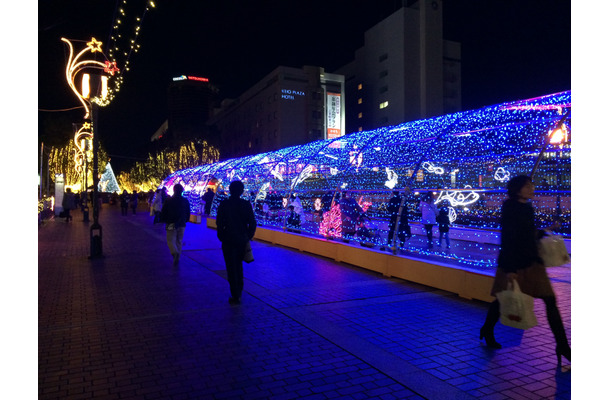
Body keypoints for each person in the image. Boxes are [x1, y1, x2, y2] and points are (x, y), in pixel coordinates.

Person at [479, 175, 570, 367]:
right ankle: (487, 329)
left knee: (549, 300)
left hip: (532, 263)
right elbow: (509, 239)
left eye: (532, 185)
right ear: (518, 189)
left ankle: (563, 346)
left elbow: (528, 233)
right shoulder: (510, 208)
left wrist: (547, 229)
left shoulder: (527, 208)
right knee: (504, 298)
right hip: (515, 263)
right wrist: (511, 269)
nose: (532, 189)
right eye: (527, 186)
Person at [216, 180, 257, 305]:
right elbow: (253, 222)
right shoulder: (246, 204)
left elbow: (219, 222)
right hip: (241, 240)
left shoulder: (224, 204)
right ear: (241, 191)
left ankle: (235, 293)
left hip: (228, 239)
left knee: (230, 266)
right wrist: (248, 236)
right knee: (239, 265)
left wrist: (221, 236)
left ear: (230, 190)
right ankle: (239, 290)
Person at [160, 184, 191, 267]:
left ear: (174, 190)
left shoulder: (169, 200)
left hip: (171, 223)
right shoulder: (185, 201)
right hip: (182, 224)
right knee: (179, 241)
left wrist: (163, 220)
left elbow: (164, 212)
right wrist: (186, 220)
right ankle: (178, 256)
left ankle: (174, 252)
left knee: (170, 240)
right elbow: (188, 212)